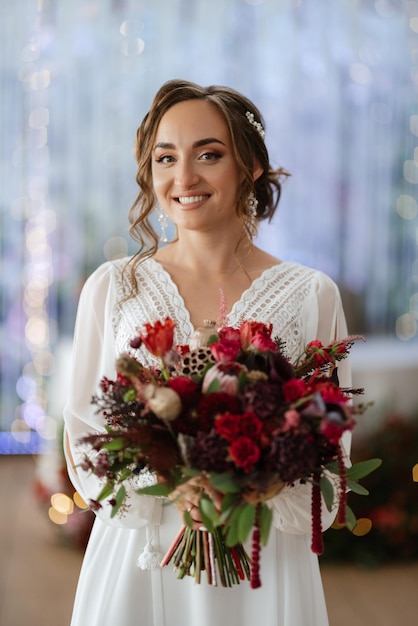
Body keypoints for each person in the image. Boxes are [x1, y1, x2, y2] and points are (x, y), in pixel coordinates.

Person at [63, 79, 351, 626]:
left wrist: (257, 481)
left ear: (251, 165)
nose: (184, 178)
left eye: (209, 155)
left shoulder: (312, 295)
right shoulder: (113, 287)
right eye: (166, 157)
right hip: (141, 553)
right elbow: (84, 432)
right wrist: (171, 481)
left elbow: (329, 456)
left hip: (260, 558)